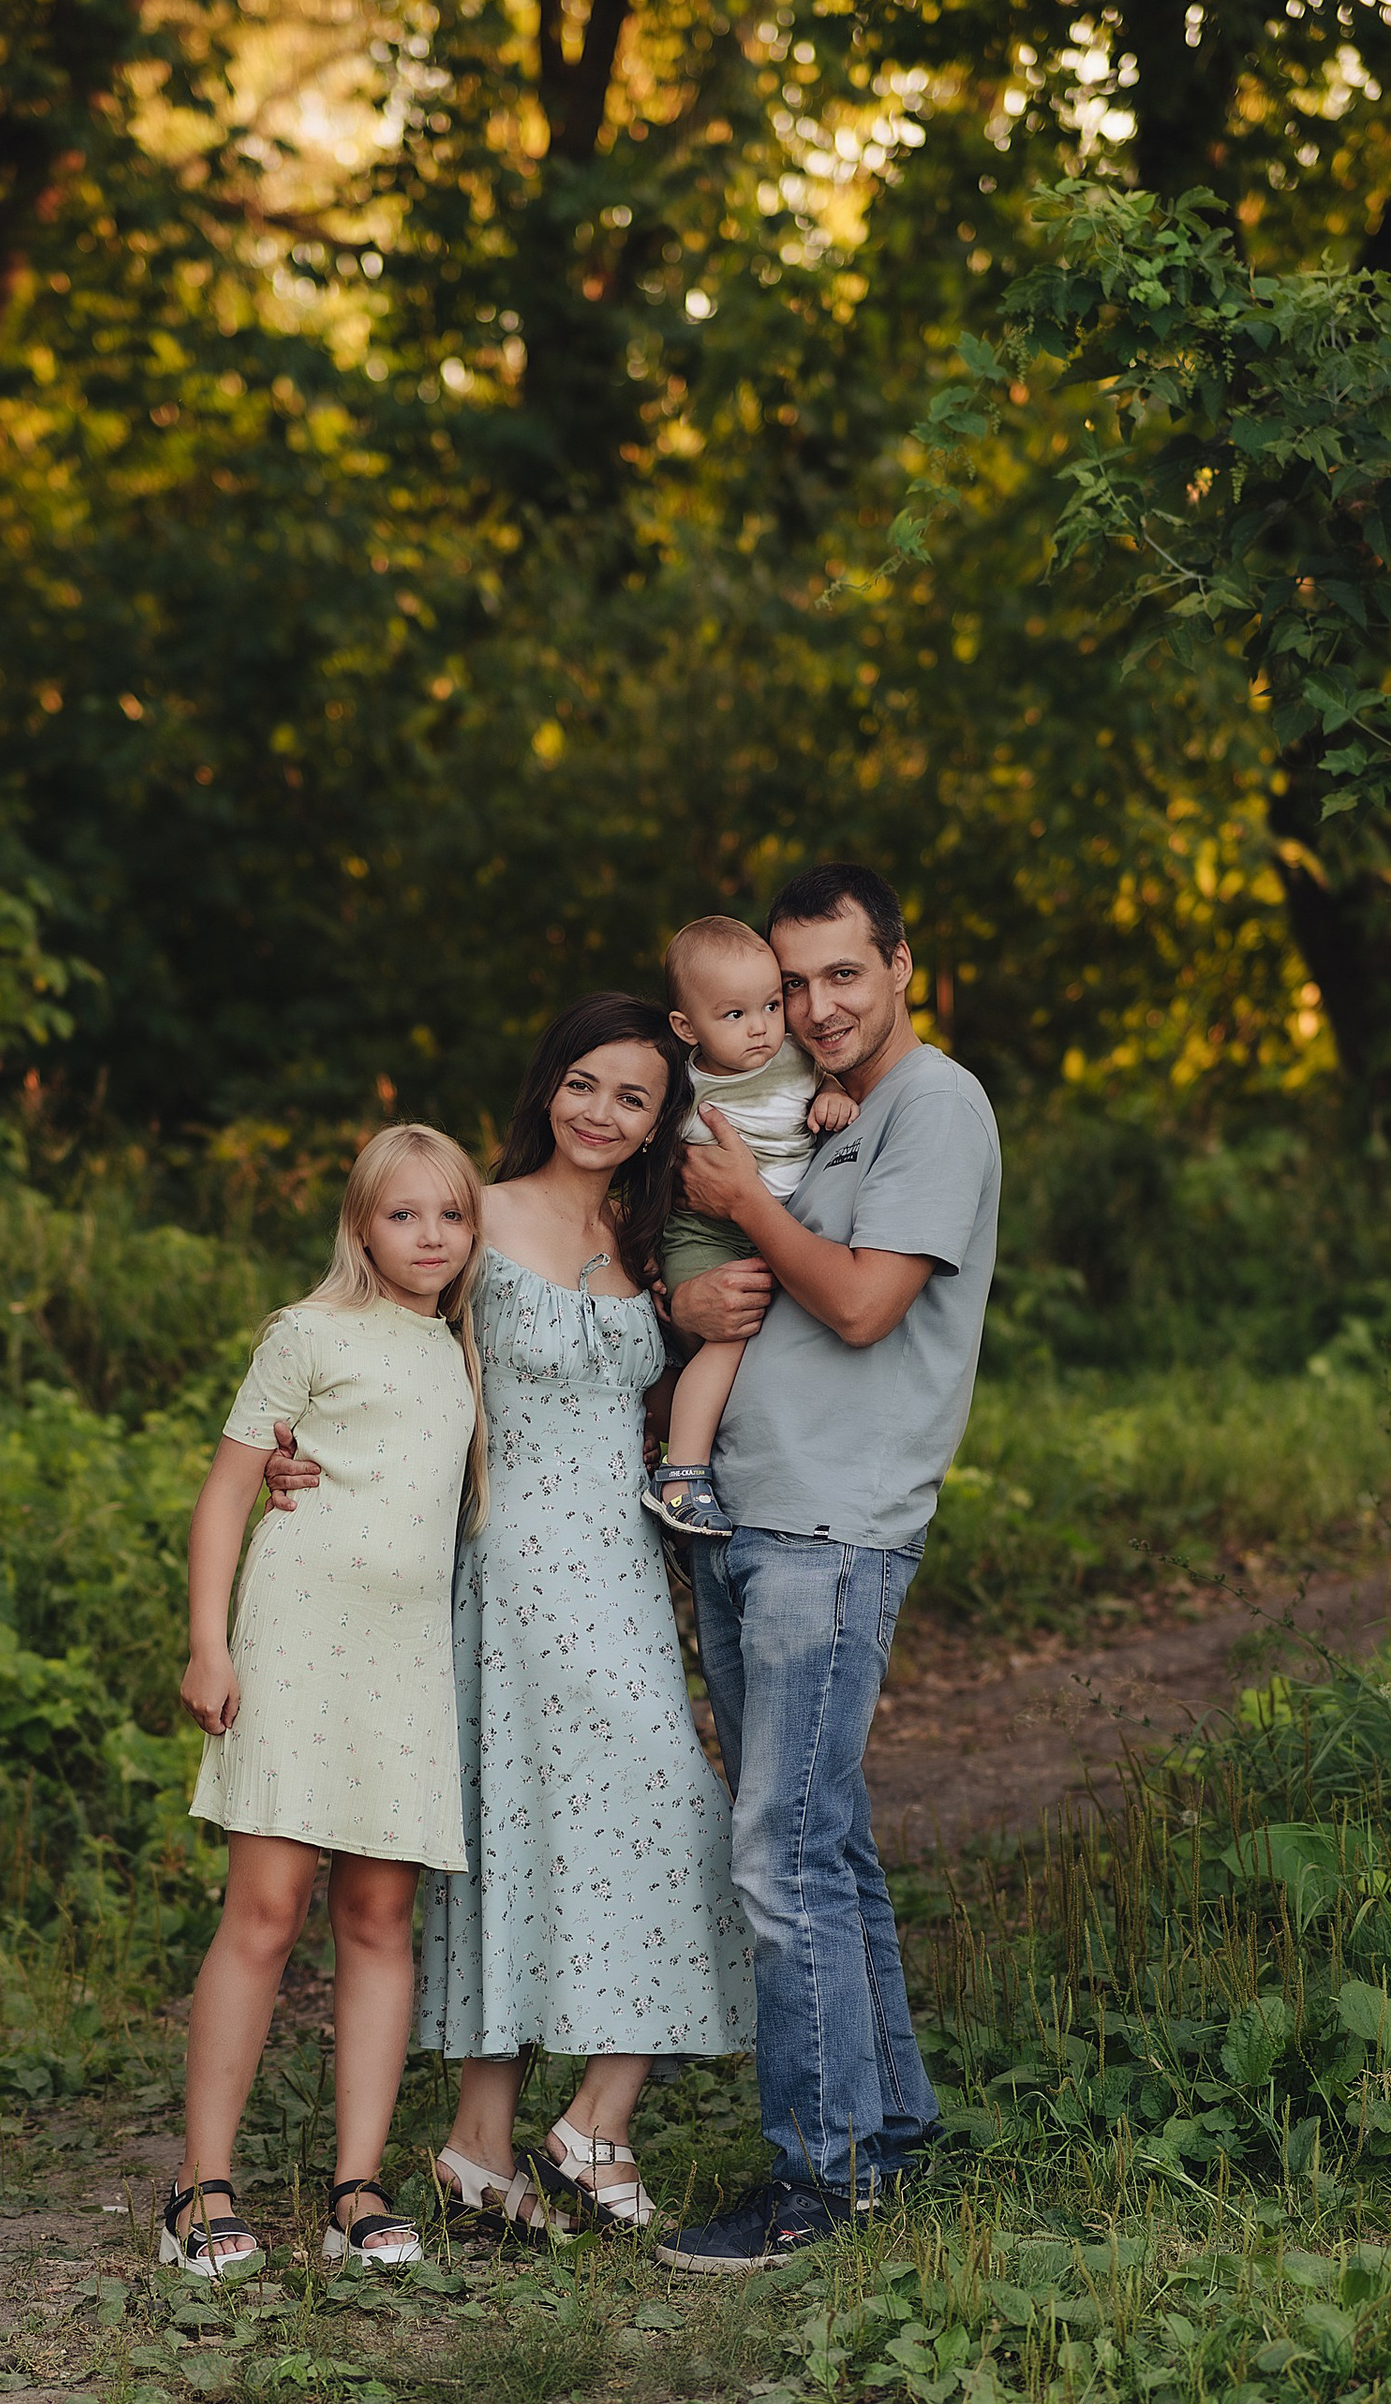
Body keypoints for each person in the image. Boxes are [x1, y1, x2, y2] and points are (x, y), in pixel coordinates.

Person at [263, 997, 751, 2231]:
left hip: (626, 1574)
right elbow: (367, 1339)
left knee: (614, 1833)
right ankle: (571, 2133)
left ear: (659, 1121)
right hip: (512, 1571)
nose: (602, 1111)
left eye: (632, 1096)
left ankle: (500, 2142)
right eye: (583, 1083)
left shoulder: (654, 1238)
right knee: (594, 1829)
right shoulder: (472, 1214)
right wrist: (291, 1452)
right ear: (548, 1087)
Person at [656, 860, 1000, 2270]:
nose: (815, 1006)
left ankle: (817, 2177)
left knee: (780, 1854)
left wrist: (747, 1206)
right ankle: (889, 2135)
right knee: (827, 1845)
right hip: (740, 1511)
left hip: (832, 1528)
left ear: (904, 963)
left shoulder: (938, 1105)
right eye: (793, 982)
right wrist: (701, 1270)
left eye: (843, 973)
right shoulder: (788, 1095)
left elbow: (861, 1304)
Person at [169, 1122, 487, 2279]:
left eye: (450, 1214)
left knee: (378, 1917)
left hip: (404, 1660)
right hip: (296, 1634)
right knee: (265, 1907)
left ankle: (355, 2185)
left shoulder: (461, 1346)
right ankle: (200, 2187)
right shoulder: (305, 1334)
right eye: (404, 1214)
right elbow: (224, 1496)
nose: (430, 1235)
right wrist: (210, 1646)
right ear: (361, 1224)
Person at [641, 911, 857, 1543]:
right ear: (687, 1026)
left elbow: (826, 1078)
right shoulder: (680, 1079)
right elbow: (649, 1150)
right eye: (734, 1015)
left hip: (771, 1223)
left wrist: (834, 1093)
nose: (761, 1027)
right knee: (728, 1335)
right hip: (703, 1233)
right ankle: (681, 1474)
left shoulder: (795, 1053)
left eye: (769, 1004)